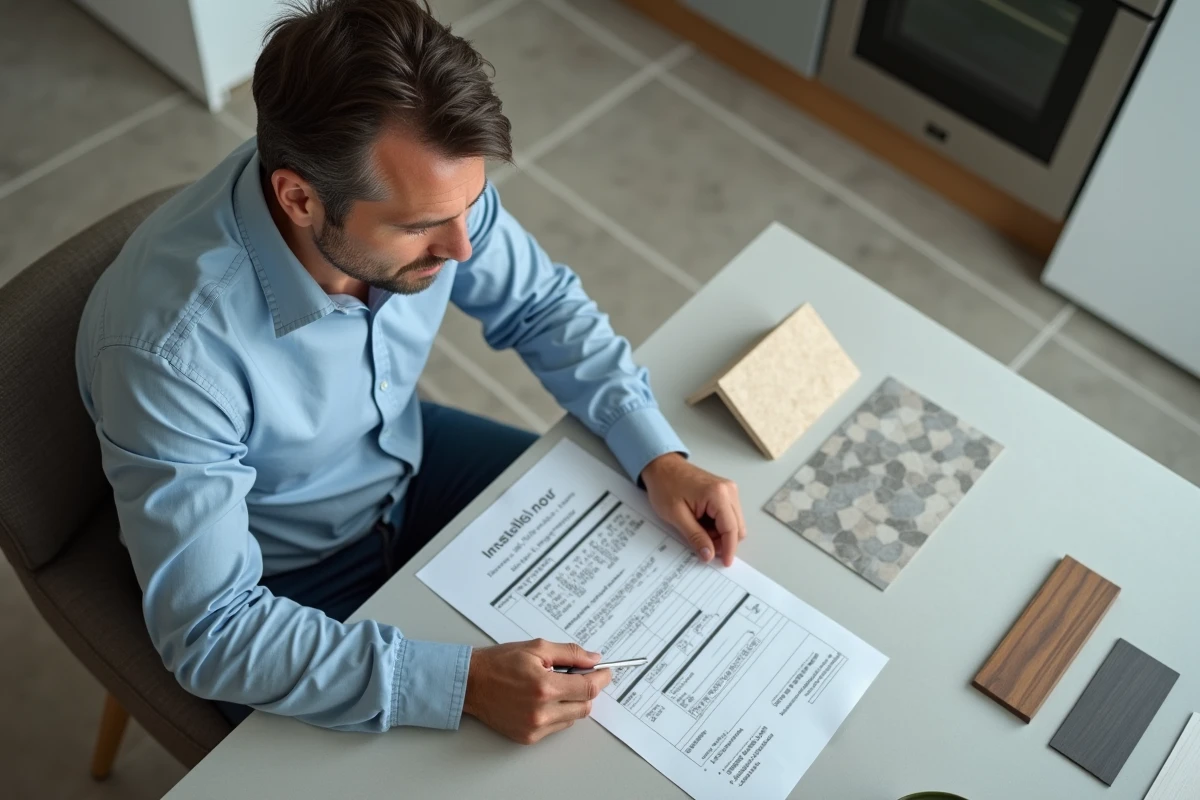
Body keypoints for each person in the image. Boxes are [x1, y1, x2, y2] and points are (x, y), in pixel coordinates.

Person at [75, 0, 746, 746]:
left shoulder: (437, 201)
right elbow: (211, 631)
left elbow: (543, 306)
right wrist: (460, 683)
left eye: (472, 204)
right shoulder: (171, 355)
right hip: (284, 574)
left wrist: (657, 452)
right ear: (299, 198)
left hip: (408, 458)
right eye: (422, 227)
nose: (463, 248)